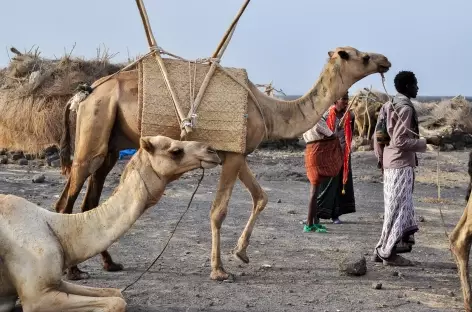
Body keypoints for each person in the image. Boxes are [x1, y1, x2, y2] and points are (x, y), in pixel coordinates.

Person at [372, 71, 442, 266]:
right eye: (415, 84)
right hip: (401, 165)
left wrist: (382, 160)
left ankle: (382, 249)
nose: (418, 88)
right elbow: (401, 141)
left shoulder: (388, 105)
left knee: (393, 209)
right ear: (407, 86)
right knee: (399, 210)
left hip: (391, 164)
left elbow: (379, 136)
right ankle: (389, 253)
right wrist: (427, 141)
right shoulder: (406, 109)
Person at [302, 92, 355, 232]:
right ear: (335, 100)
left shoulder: (351, 116)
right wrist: (336, 131)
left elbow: (348, 135)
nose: (345, 102)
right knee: (323, 187)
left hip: (342, 153)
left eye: (347, 99)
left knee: (339, 186)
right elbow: (330, 135)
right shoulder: (322, 118)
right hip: (325, 155)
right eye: (343, 99)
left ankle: (328, 216)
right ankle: (313, 219)